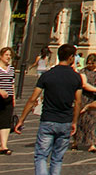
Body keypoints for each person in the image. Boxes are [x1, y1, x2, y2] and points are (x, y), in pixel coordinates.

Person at [14, 43, 82, 175]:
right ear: (71, 57)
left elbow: (33, 99)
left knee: (41, 156)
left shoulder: (47, 75)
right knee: (57, 159)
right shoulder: (76, 77)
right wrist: (75, 121)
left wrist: (21, 119)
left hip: (48, 120)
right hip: (65, 121)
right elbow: (78, 102)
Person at [73, 53, 96, 152]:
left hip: (95, 99)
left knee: (93, 121)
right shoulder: (83, 71)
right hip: (84, 97)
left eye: (92, 64)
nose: (90, 65)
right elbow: (84, 85)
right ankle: (76, 142)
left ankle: (92, 144)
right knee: (81, 120)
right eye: (88, 63)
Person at [0, 46, 17, 155]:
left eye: (10, 55)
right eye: (6, 55)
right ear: (1, 56)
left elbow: (12, 84)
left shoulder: (11, 69)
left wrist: (13, 97)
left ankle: (4, 146)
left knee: (6, 122)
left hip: (8, 98)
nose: (8, 57)